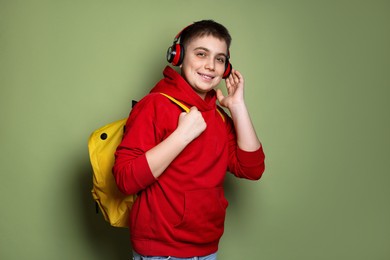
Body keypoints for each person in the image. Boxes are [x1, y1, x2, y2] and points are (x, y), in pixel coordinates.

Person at [113, 19, 265, 260]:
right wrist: (181, 136)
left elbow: (252, 168)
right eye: (201, 54)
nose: (211, 66)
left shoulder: (217, 116)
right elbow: (125, 178)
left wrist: (237, 107)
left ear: (226, 68)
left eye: (219, 59)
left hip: (206, 248)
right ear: (178, 56)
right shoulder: (154, 105)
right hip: (162, 251)